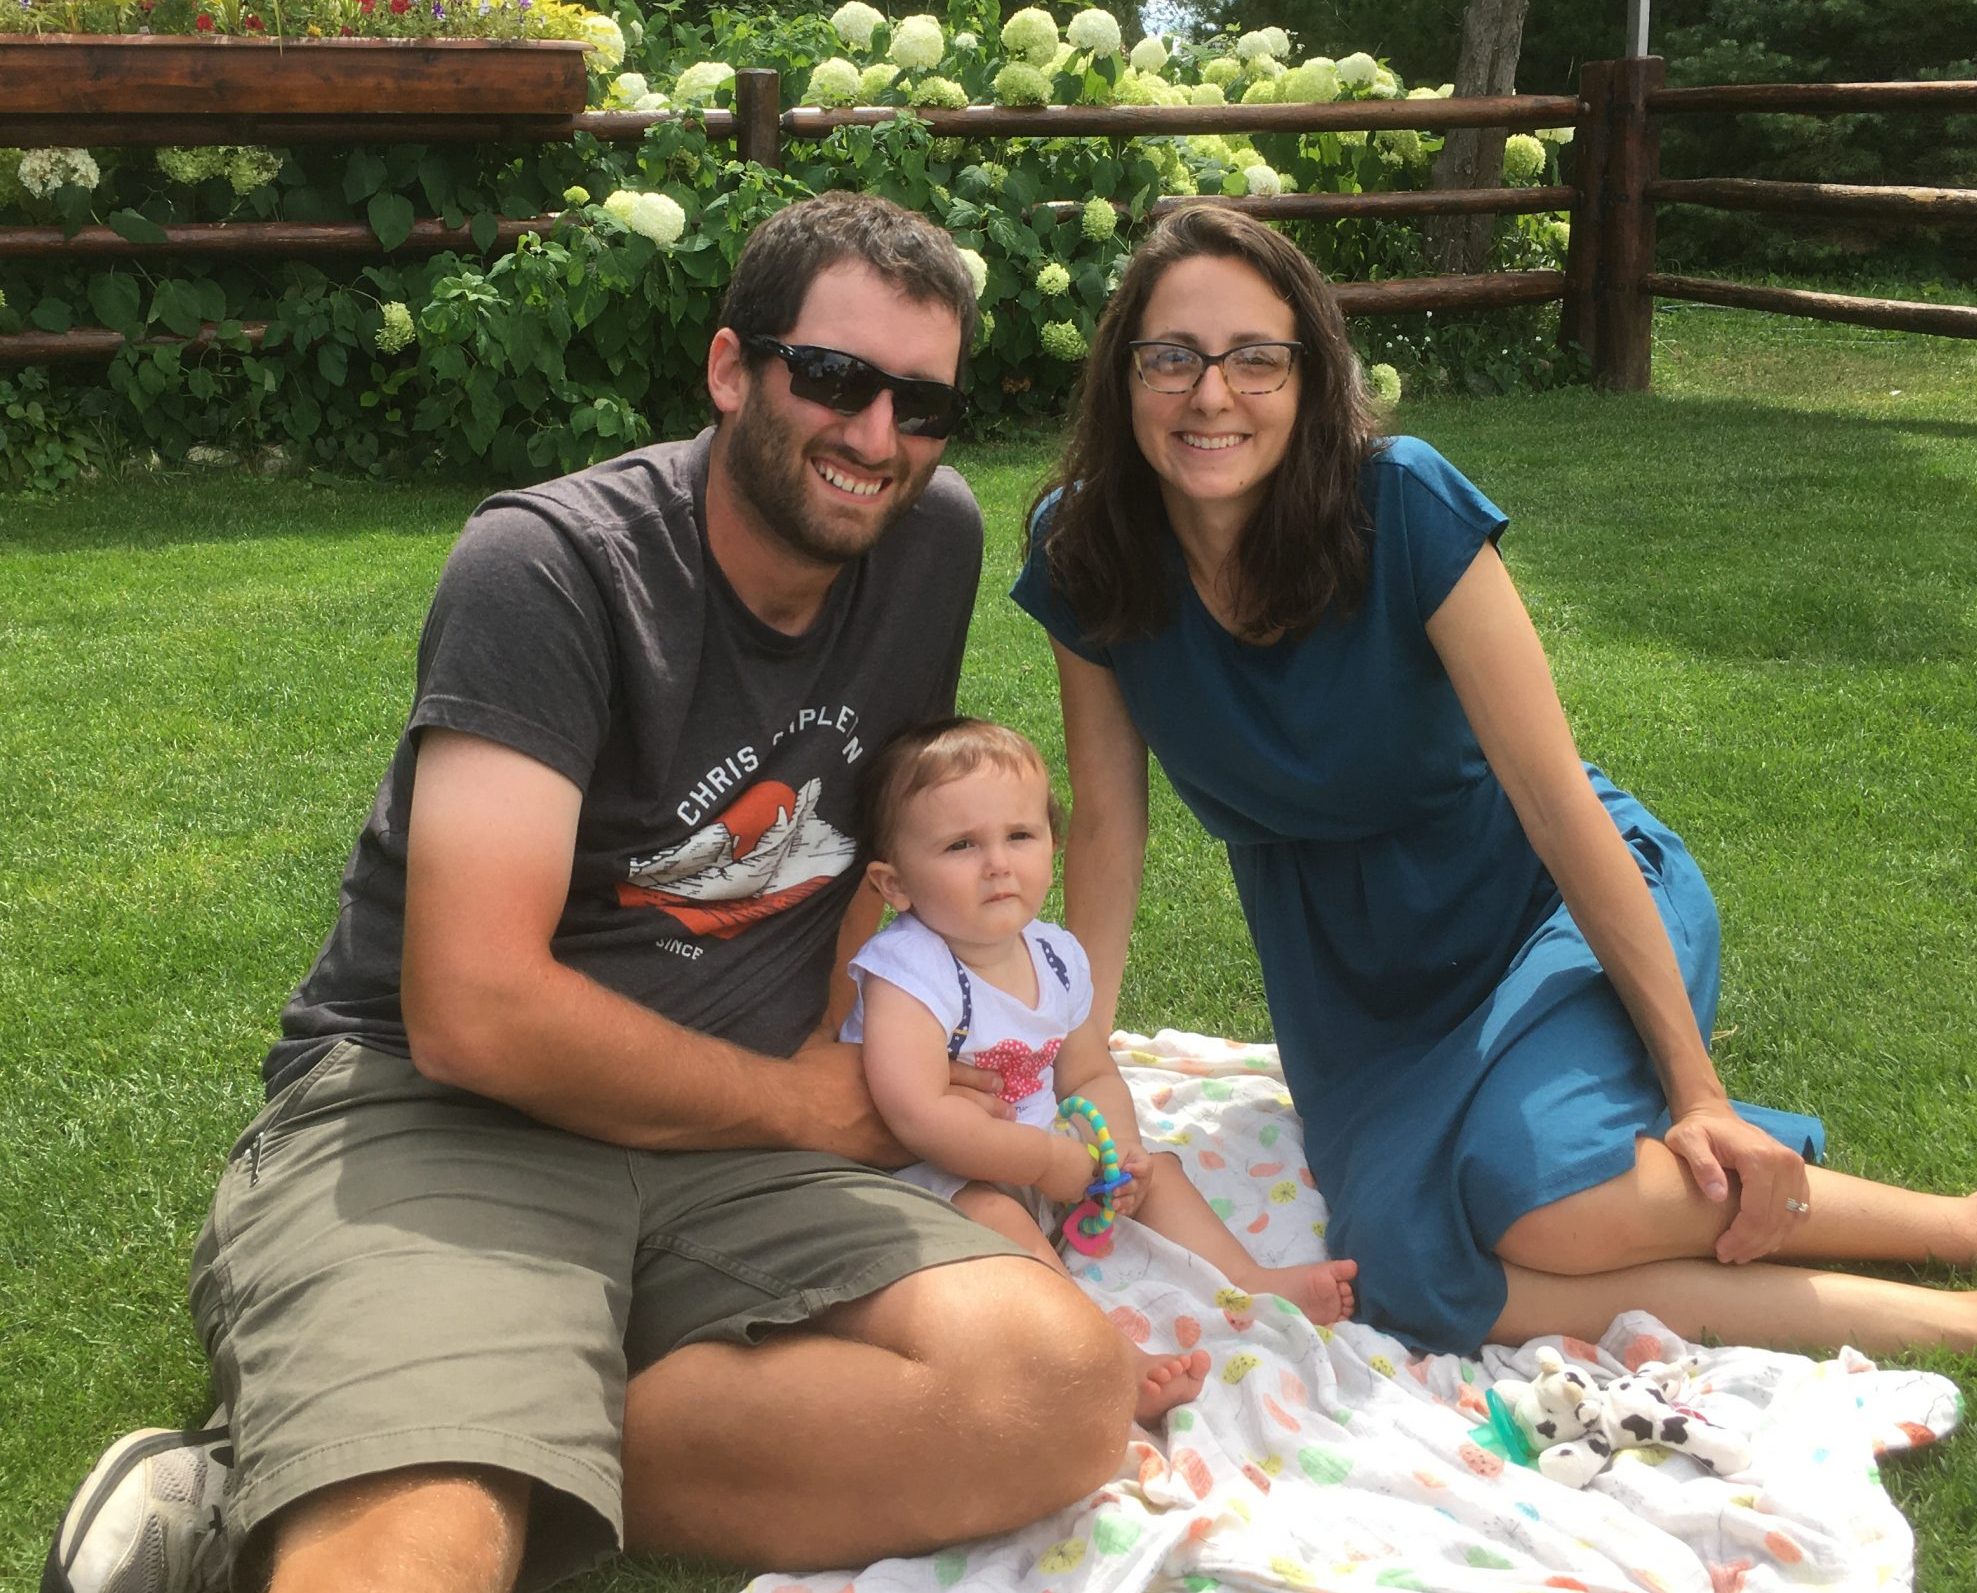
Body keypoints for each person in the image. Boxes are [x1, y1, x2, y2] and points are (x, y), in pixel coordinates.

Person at [44, 191, 1142, 1593]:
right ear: (732, 368)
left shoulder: (926, 544)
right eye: (834, 379)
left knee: (1053, 1387)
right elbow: (474, 1011)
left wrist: (855, 1029)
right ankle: (398, 1455)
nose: (877, 438)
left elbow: (875, 821)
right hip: (453, 1114)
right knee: (418, 1548)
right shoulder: (553, 567)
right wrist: (805, 1100)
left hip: (740, 1153)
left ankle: (374, 1440)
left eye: (921, 406)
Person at [1011, 204, 1977, 1360]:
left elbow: (1555, 803)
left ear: (1311, 376)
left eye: (1256, 358)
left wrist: (1698, 1092)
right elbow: (1111, 821)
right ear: (1122, 378)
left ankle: (1954, 1237)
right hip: (1349, 978)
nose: (1211, 395)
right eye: (1171, 357)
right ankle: (1953, 1317)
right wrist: (1085, 1059)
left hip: (1538, 904)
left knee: (1542, 1202)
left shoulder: (1402, 505)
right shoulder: (1087, 547)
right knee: (1410, 1270)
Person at [840, 717, 1360, 1422]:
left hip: (1049, 1161)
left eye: (1018, 835)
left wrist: (1115, 1153)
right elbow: (917, 1114)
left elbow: (1086, 1070)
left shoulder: (1053, 956)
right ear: (893, 883)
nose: (997, 862)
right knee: (998, 1221)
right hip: (943, 1180)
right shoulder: (909, 970)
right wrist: (1045, 1161)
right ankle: (1101, 1355)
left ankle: (1252, 1279)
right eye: (961, 845)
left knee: (1162, 1173)